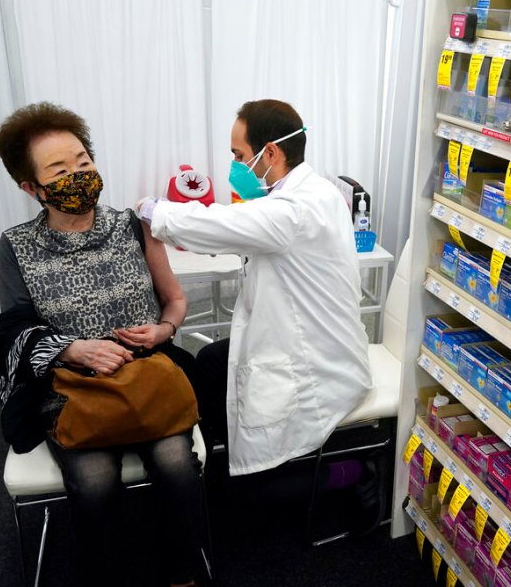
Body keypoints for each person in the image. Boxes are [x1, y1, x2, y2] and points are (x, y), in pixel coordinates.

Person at [0, 102, 210, 587]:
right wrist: (72, 349)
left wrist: (164, 331)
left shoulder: (132, 224)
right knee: (93, 480)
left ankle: (183, 575)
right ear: (31, 188)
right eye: (60, 171)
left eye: (84, 162)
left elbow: (173, 301)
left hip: (148, 375)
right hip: (71, 387)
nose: (78, 175)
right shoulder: (17, 245)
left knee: (176, 465)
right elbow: (13, 331)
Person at [136, 99, 372, 477]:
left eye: (238, 154)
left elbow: (219, 225)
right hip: (313, 338)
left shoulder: (294, 209)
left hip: (314, 362)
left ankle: (350, 474)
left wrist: (154, 211)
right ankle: (218, 456)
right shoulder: (314, 191)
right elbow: (255, 223)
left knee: (254, 482)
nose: (234, 165)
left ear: (271, 152)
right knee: (212, 362)